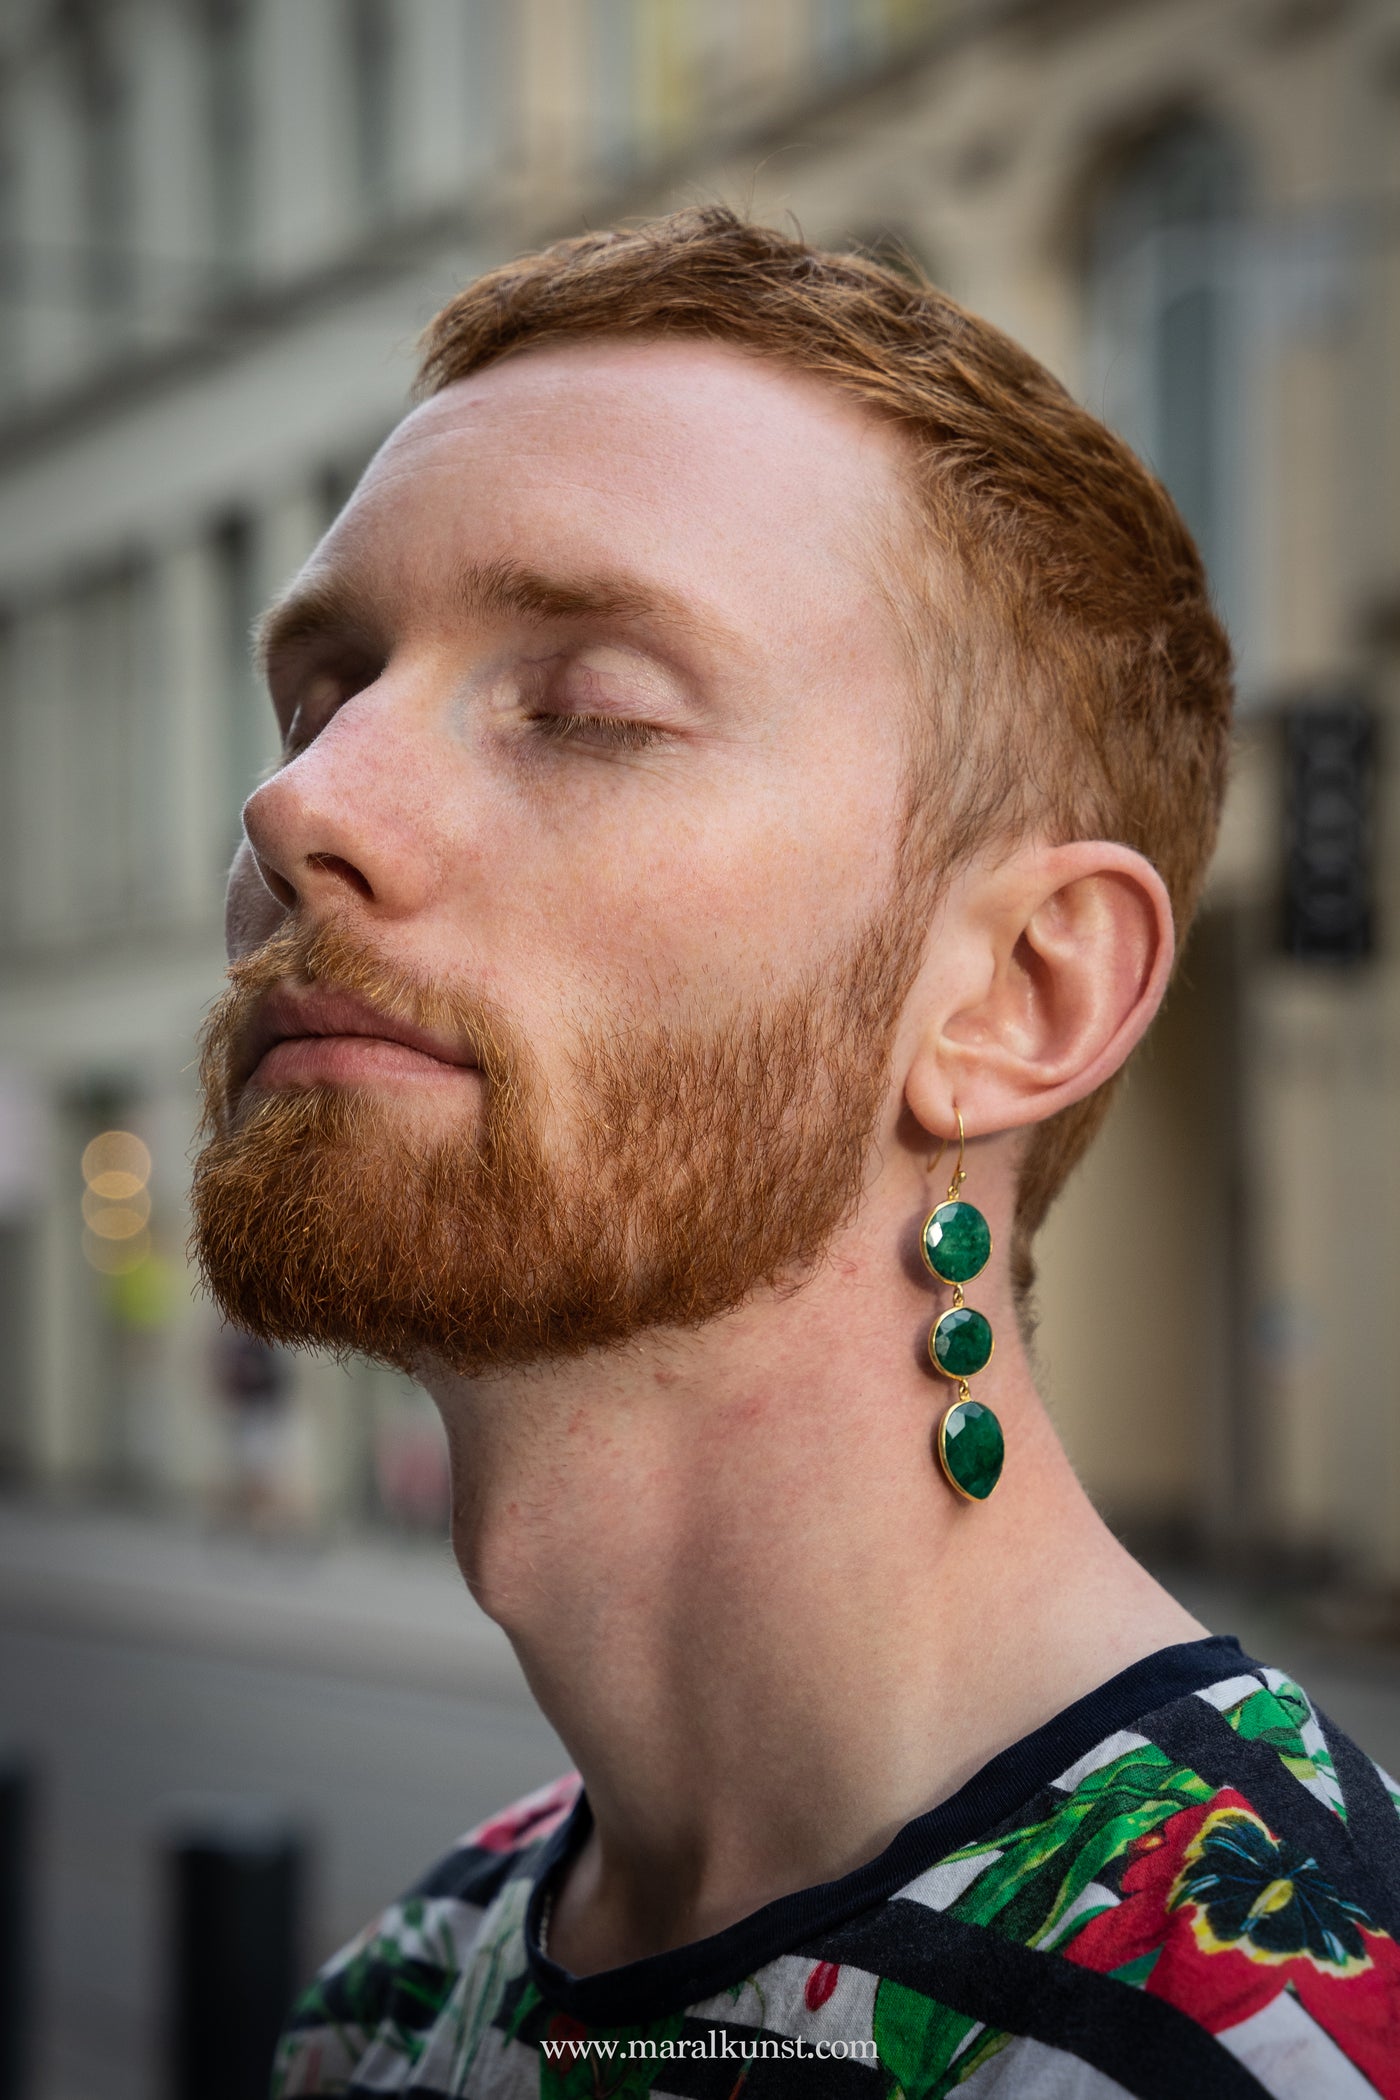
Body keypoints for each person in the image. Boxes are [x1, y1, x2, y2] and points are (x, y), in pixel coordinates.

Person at [191, 209, 1400, 2096]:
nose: (297, 800)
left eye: (586, 708)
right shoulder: (388, 2010)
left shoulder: (1274, 2025)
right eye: (320, 693)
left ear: (1017, 990)